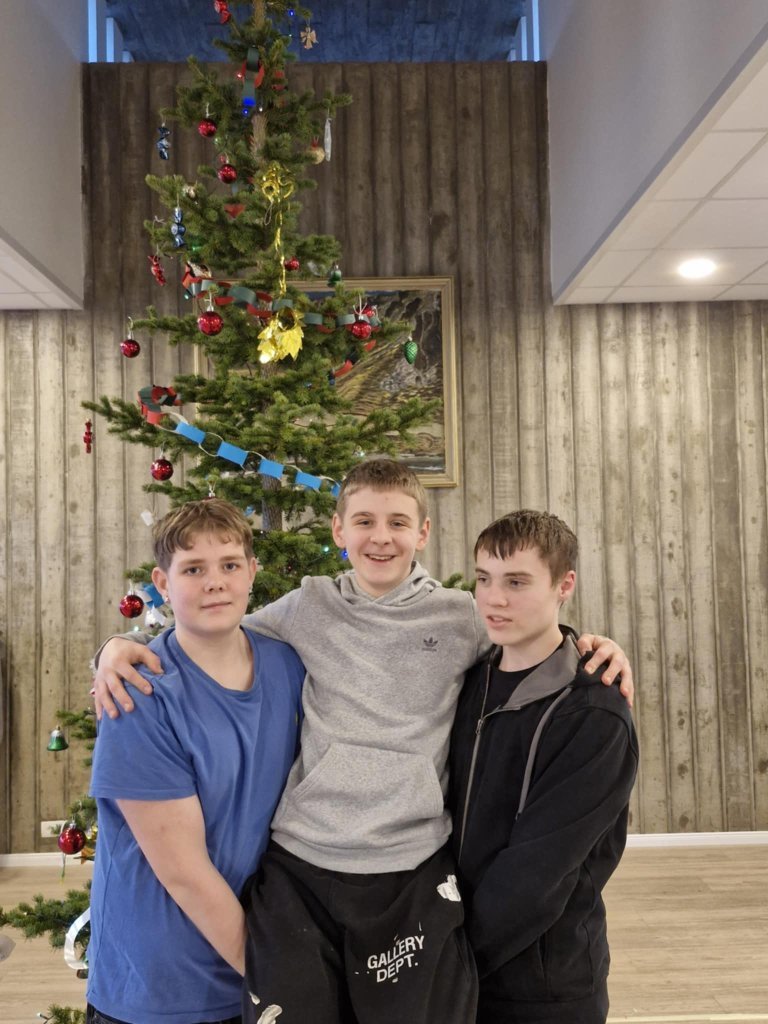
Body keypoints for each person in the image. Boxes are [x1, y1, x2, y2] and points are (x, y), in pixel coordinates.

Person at [93, 459, 634, 1024]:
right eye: (364, 521)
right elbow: (213, 627)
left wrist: (590, 648)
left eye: (398, 522)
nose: (381, 537)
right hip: (304, 856)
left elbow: (529, 638)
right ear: (338, 530)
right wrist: (117, 647)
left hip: (413, 861)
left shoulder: (463, 617)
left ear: (422, 533)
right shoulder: (307, 606)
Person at [86, 499, 305, 1024]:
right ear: (162, 583)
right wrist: (279, 984)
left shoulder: (289, 666)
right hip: (160, 988)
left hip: (257, 959)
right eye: (193, 570)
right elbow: (185, 873)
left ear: (252, 572)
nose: (215, 583)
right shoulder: (139, 695)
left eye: (229, 565)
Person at [449, 510, 639, 1024]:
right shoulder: (466, 682)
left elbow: (537, 875)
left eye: (516, 582)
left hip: (543, 985)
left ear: (564, 585)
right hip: (457, 968)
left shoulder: (593, 712)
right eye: (484, 579)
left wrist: (453, 964)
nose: (494, 598)